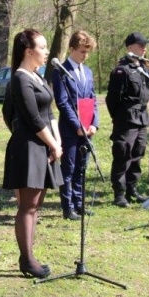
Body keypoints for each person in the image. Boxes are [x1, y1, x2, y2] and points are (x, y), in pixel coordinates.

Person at [2, 29, 63, 279]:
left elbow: (49, 114)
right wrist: (52, 144)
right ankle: (27, 260)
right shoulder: (20, 78)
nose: (47, 51)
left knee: (36, 205)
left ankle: (28, 255)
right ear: (29, 51)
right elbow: (32, 118)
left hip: (44, 146)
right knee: (27, 206)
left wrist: (56, 142)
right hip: (29, 148)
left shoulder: (37, 77)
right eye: (43, 47)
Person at [52, 30, 99, 220]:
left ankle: (80, 204)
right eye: (81, 51)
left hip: (87, 128)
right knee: (69, 168)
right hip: (71, 129)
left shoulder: (87, 71)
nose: (85, 55)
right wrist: (76, 125)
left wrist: (94, 123)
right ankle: (68, 206)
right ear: (71, 49)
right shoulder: (61, 72)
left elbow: (93, 98)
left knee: (81, 167)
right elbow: (63, 102)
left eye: (87, 52)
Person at [105, 32, 149, 208]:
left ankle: (132, 189)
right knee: (123, 154)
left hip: (141, 118)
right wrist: (118, 118)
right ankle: (119, 193)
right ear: (130, 47)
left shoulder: (144, 68)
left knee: (137, 153)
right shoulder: (121, 70)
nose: (144, 48)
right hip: (126, 118)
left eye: (145, 45)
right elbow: (112, 99)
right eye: (140, 45)